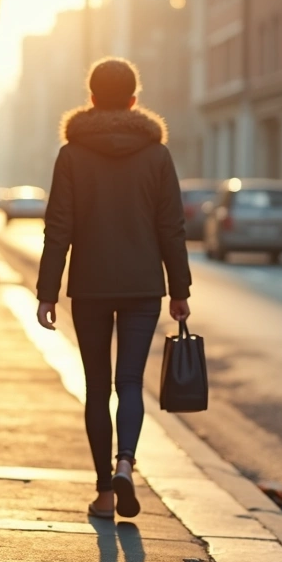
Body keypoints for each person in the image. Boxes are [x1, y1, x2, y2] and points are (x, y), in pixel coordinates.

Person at [35, 58, 192, 519]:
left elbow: (58, 228)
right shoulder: (157, 155)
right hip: (144, 286)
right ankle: (126, 463)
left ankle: (105, 491)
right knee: (130, 384)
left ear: (90, 98)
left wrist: (47, 292)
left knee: (97, 386)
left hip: (90, 288)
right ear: (132, 99)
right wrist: (179, 289)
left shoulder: (71, 154)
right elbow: (172, 228)